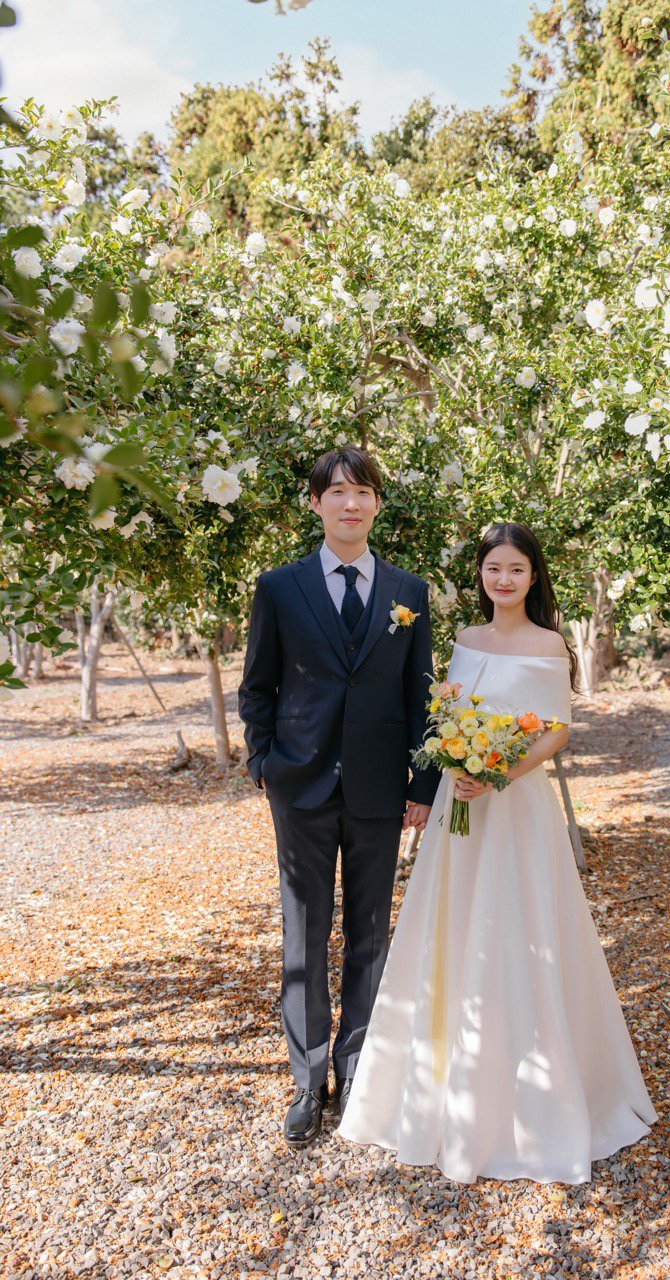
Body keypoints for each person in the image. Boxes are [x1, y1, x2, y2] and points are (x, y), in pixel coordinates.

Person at [337, 522, 659, 1184]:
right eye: (493, 569)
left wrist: (498, 773)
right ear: (480, 576)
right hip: (460, 808)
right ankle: (443, 1084)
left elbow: (557, 731)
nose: (503, 579)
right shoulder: (465, 639)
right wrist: (459, 761)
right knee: (454, 927)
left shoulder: (547, 643)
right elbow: (449, 714)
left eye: (516, 569)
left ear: (533, 576)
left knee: (522, 924)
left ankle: (535, 1096)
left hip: (515, 807)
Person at [238, 445, 440, 1148]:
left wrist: (424, 782)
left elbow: (420, 694)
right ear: (316, 503)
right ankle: (307, 1080)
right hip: (300, 786)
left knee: (370, 934)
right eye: (337, 492)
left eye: (363, 492)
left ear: (377, 504)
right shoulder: (279, 588)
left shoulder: (410, 591)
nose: (350, 503)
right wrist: (262, 762)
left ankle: (357, 1072)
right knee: (303, 933)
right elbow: (257, 686)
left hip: (382, 788)